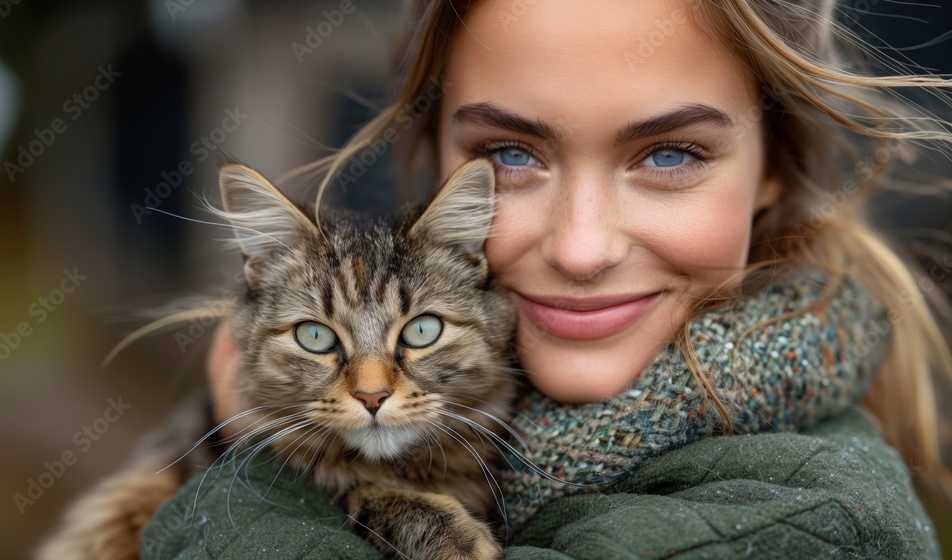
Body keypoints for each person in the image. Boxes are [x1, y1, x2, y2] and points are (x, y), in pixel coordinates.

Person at [143, 0, 952, 558]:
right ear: (434, 166)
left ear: (775, 169)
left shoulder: (821, 520)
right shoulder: (470, 386)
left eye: (669, 154)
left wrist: (257, 460)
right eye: (511, 155)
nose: (581, 249)